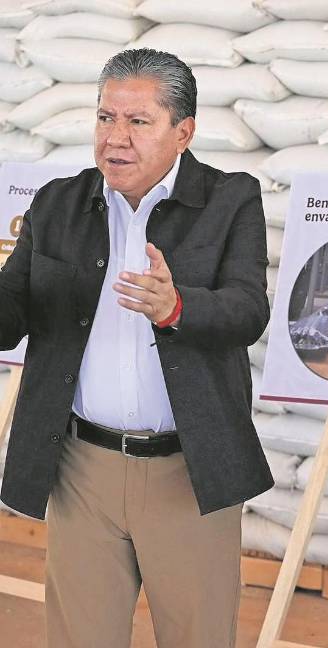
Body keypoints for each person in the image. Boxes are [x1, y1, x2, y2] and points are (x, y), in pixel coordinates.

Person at [0, 49, 273, 647]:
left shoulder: (230, 199)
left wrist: (177, 308)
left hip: (188, 471)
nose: (115, 137)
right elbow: (10, 314)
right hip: (81, 469)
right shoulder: (57, 203)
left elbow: (248, 311)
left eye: (138, 121)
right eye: (105, 117)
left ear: (183, 132)